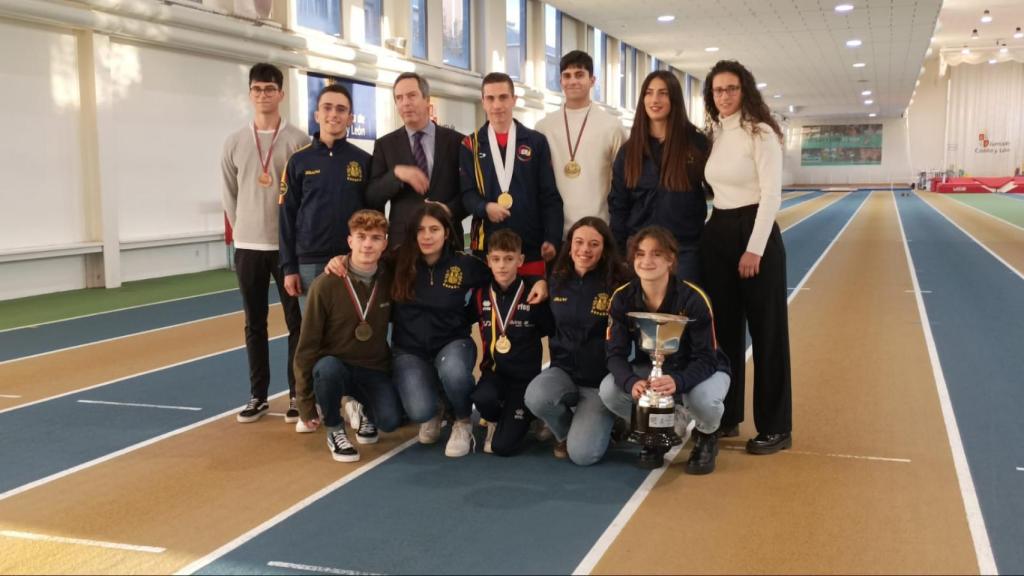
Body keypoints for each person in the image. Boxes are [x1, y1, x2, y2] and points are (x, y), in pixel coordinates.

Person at [701, 60, 792, 454]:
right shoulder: (717, 133)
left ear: (745, 91)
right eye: (718, 90)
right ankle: (728, 416)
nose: (724, 96)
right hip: (718, 229)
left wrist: (753, 247)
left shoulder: (761, 132)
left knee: (767, 333)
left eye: (731, 88)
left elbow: (771, 194)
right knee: (724, 333)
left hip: (755, 232)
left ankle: (776, 426)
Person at [599, 226, 731, 474]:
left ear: (670, 259)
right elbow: (614, 354)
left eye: (656, 254)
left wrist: (679, 381)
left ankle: (706, 435)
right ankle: (657, 430)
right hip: (654, 369)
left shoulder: (693, 298)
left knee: (702, 400)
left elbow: (707, 357)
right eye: (640, 254)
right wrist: (630, 382)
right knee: (609, 390)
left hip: (702, 370)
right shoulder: (622, 298)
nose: (646, 261)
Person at [221, 63, 308, 424]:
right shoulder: (235, 142)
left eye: (269, 89)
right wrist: (243, 229)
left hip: (288, 249)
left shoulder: (298, 140)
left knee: (296, 323)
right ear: (250, 94)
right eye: (256, 89)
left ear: (281, 94)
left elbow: (305, 196)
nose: (263, 95)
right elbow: (229, 193)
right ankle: (258, 394)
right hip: (249, 247)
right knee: (253, 322)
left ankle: (295, 394)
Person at [292, 210, 402, 462]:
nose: (367, 244)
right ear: (349, 241)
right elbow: (306, 346)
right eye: (361, 236)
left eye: (375, 238)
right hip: (336, 366)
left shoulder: (389, 279)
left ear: (384, 243)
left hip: (373, 368)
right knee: (327, 369)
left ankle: (362, 410)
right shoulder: (326, 284)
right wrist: (305, 403)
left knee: (390, 420)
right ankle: (335, 428)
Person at [524, 217, 630, 465]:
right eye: (579, 242)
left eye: (594, 244)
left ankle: (613, 418)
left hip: (598, 383)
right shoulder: (556, 279)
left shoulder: (618, 284)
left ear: (604, 250)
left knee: (583, 456)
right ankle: (565, 432)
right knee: (535, 396)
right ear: (569, 245)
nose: (585, 250)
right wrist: (537, 282)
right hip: (564, 373)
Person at [609, 71, 711, 283]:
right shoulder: (629, 152)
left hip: (684, 251)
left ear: (674, 98)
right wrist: (619, 252)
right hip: (640, 250)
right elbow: (618, 204)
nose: (655, 99)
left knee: (682, 315)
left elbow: (716, 189)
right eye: (649, 93)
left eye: (663, 93)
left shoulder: (696, 144)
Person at [460, 72, 564, 276]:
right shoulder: (469, 145)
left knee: (530, 304)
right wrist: (485, 207)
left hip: (530, 244)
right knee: (488, 305)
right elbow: (466, 194)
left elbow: (549, 195)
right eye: (490, 98)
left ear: (514, 100)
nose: (497, 105)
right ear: (483, 102)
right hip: (487, 246)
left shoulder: (536, 142)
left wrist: (552, 237)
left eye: (503, 97)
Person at [279, 83, 371, 310]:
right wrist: (289, 267)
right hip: (309, 263)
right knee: (313, 335)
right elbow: (286, 216)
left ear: (350, 118)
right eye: (327, 108)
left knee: (350, 332)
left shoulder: (364, 161)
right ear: (317, 115)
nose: (333, 114)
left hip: (353, 260)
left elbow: (372, 214)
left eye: (341, 109)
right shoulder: (298, 161)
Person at [472, 229, 554, 456]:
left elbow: (552, 331)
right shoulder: (482, 295)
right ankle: (495, 420)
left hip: (524, 382)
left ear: (520, 260)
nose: (502, 266)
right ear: (488, 261)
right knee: (481, 397)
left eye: (509, 259)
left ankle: (531, 412)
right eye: (496, 259)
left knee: (502, 448)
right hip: (494, 375)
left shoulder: (533, 294)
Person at [366, 72, 466, 249]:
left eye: (412, 95)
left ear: (427, 100)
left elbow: (470, 191)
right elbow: (373, 197)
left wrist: (449, 210)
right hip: (403, 244)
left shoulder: (457, 142)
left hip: (447, 240)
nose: (405, 103)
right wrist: (396, 174)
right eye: (399, 98)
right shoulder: (385, 145)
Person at [535, 50, 626, 237]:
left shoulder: (612, 126)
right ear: (560, 82)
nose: (573, 81)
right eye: (566, 76)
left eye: (579, 75)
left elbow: (623, 182)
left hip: (599, 230)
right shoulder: (544, 127)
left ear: (592, 80)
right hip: (555, 231)